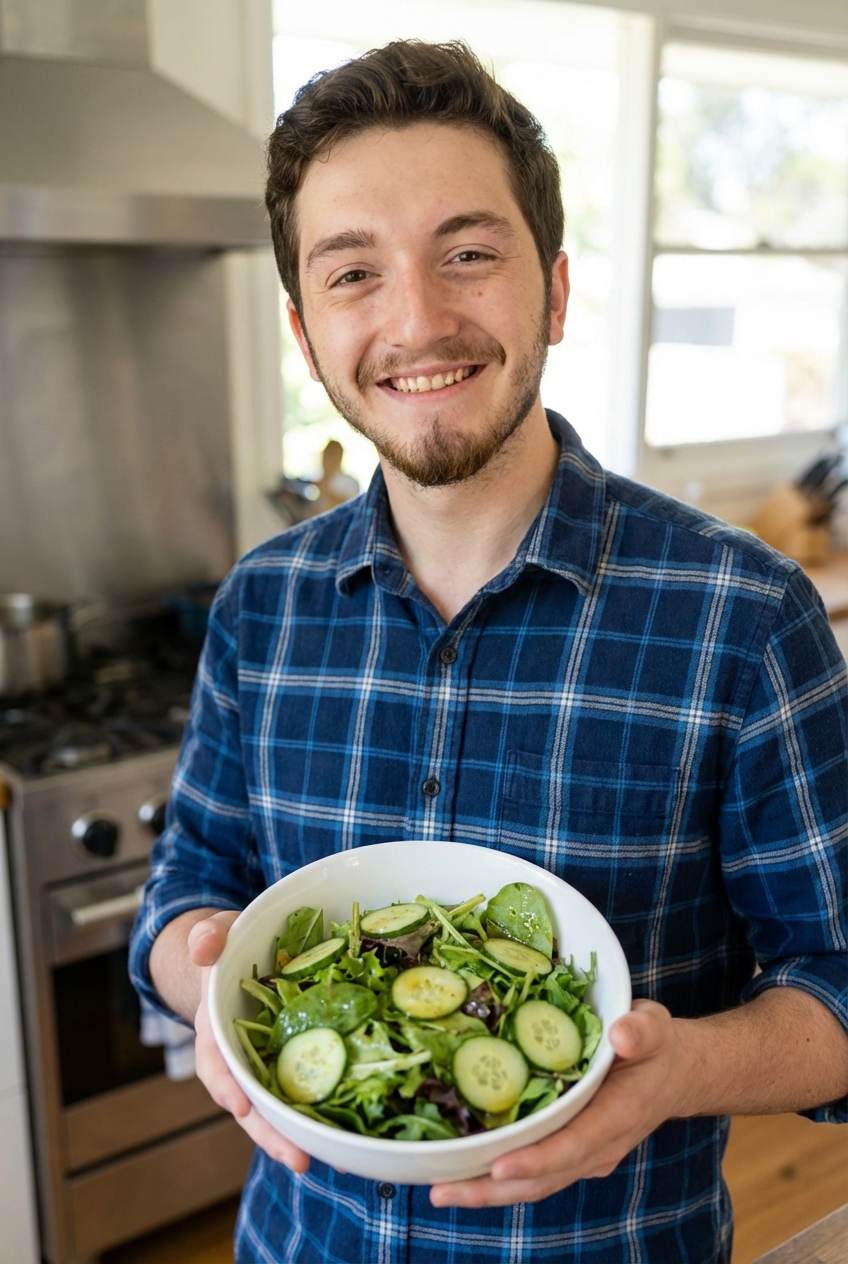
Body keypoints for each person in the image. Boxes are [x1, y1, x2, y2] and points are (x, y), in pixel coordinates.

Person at [130, 40, 847, 1264]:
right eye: (354, 273)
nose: (416, 319)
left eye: (467, 254)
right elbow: (188, 884)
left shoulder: (744, 615)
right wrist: (197, 969)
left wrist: (679, 1068)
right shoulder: (261, 605)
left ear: (554, 292)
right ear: (307, 335)